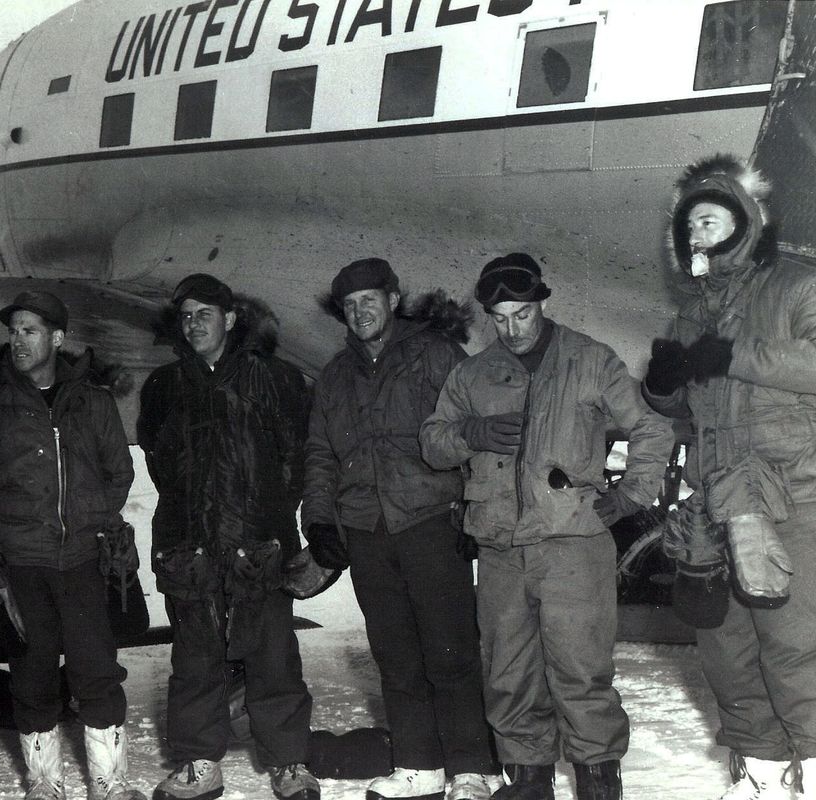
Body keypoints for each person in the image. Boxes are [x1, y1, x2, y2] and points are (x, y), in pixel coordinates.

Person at [420, 254, 673, 800]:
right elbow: (433, 443)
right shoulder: (472, 374)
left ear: (541, 304)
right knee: (508, 675)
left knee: (580, 674)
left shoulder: (590, 359)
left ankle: (598, 786)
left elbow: (652, 428)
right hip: (500, 549)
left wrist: (630, 495)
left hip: (572, 546)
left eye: (522, 315)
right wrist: (472, 433)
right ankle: (529, 786)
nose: (512, 330)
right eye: (500, 318)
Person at [641, 155, 816, 799]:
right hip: (717, 497)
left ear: (744, 222)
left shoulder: (797, 286)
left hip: (793, 494)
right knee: (727, 650)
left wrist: (735, 355)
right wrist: (661, 387)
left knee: (795, 646)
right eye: (690, 226)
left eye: (710, 220)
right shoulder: (691, 313)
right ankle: (761, 773)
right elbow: (686, 408)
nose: (698, 234)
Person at [302, 258, 501, 800]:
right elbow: (320, 452)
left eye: (370, 299)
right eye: (350, 305)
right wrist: (317, 518)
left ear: (393, 300)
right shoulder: (335, 376)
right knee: (394, 654)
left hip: (430, 520)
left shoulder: (435, 354)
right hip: (367, 528)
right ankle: (419, 765)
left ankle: (471, 768)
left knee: (451, 651)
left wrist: (476, 507)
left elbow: (474, 432)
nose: (360, 312)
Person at [138, 273, 319, 800]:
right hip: (189, 544)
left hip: (258, 544)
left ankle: (288, 763)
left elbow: (295, 460)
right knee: (194, 660)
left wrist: (265, 518)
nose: (194, 325)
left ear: (231, 319)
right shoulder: (164, 385)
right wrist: (191, 517)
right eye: (187, 316)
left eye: (205, 315)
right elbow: (159, 462)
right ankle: (199, 764)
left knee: (273, 658)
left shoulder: (276, 379)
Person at [0, 291, 143, 800]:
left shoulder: (93, 401)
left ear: (58, 338)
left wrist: (89, 522)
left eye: (30, 331)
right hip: (22, 565)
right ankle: (45, 784)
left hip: (84, 560)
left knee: (97, 672)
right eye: (13, 331)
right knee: (32, 676)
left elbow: (119, 472)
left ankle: (109, 783)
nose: (18, 341)